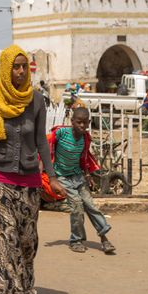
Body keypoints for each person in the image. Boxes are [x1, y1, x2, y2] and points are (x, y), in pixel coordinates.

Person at [0, 45, 66, 294]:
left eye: (25, 66)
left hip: (28, 178)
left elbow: (40, 142)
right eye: (16, 66)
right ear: (6, 68)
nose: (21, 71)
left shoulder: (36, 100)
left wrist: (52, 175)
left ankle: (23, 284)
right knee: (7, 236)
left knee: (27, 240)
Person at [49, 108, 116, 254]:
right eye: (78, 122)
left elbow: (84, 158)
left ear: (89, 123)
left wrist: (87, 175)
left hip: (78, 176)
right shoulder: (61, 133)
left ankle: (104, 239)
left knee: (91, 206)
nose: (81, 125)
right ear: (72, 121)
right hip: (62, 177)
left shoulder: (85, 138)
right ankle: (76, 240)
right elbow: (47, 146)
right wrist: (49, 175)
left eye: (84, 122)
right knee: (77, 207)